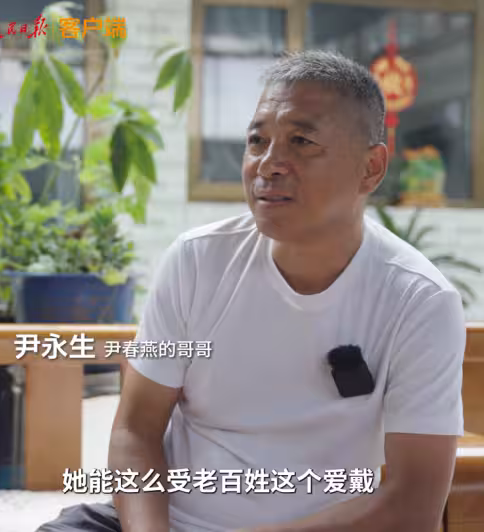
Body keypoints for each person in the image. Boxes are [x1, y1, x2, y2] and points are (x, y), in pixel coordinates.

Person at [37, 50, 465, 532]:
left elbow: (412, 505)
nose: (268, 164)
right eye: (257, 141)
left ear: (371, 167)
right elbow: (136, 430)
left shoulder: (419, 300)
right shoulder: (196, 261)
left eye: (301, 141)